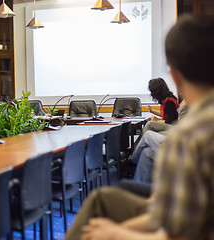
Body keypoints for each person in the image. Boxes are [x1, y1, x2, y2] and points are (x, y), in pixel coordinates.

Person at [65, 14, 214, 240]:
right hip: (182, 212)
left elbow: (178, 233)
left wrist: (116, 233)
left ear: (174, 72)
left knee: (101, 201)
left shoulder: (189, 138)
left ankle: (129, 162)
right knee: (105, 198)